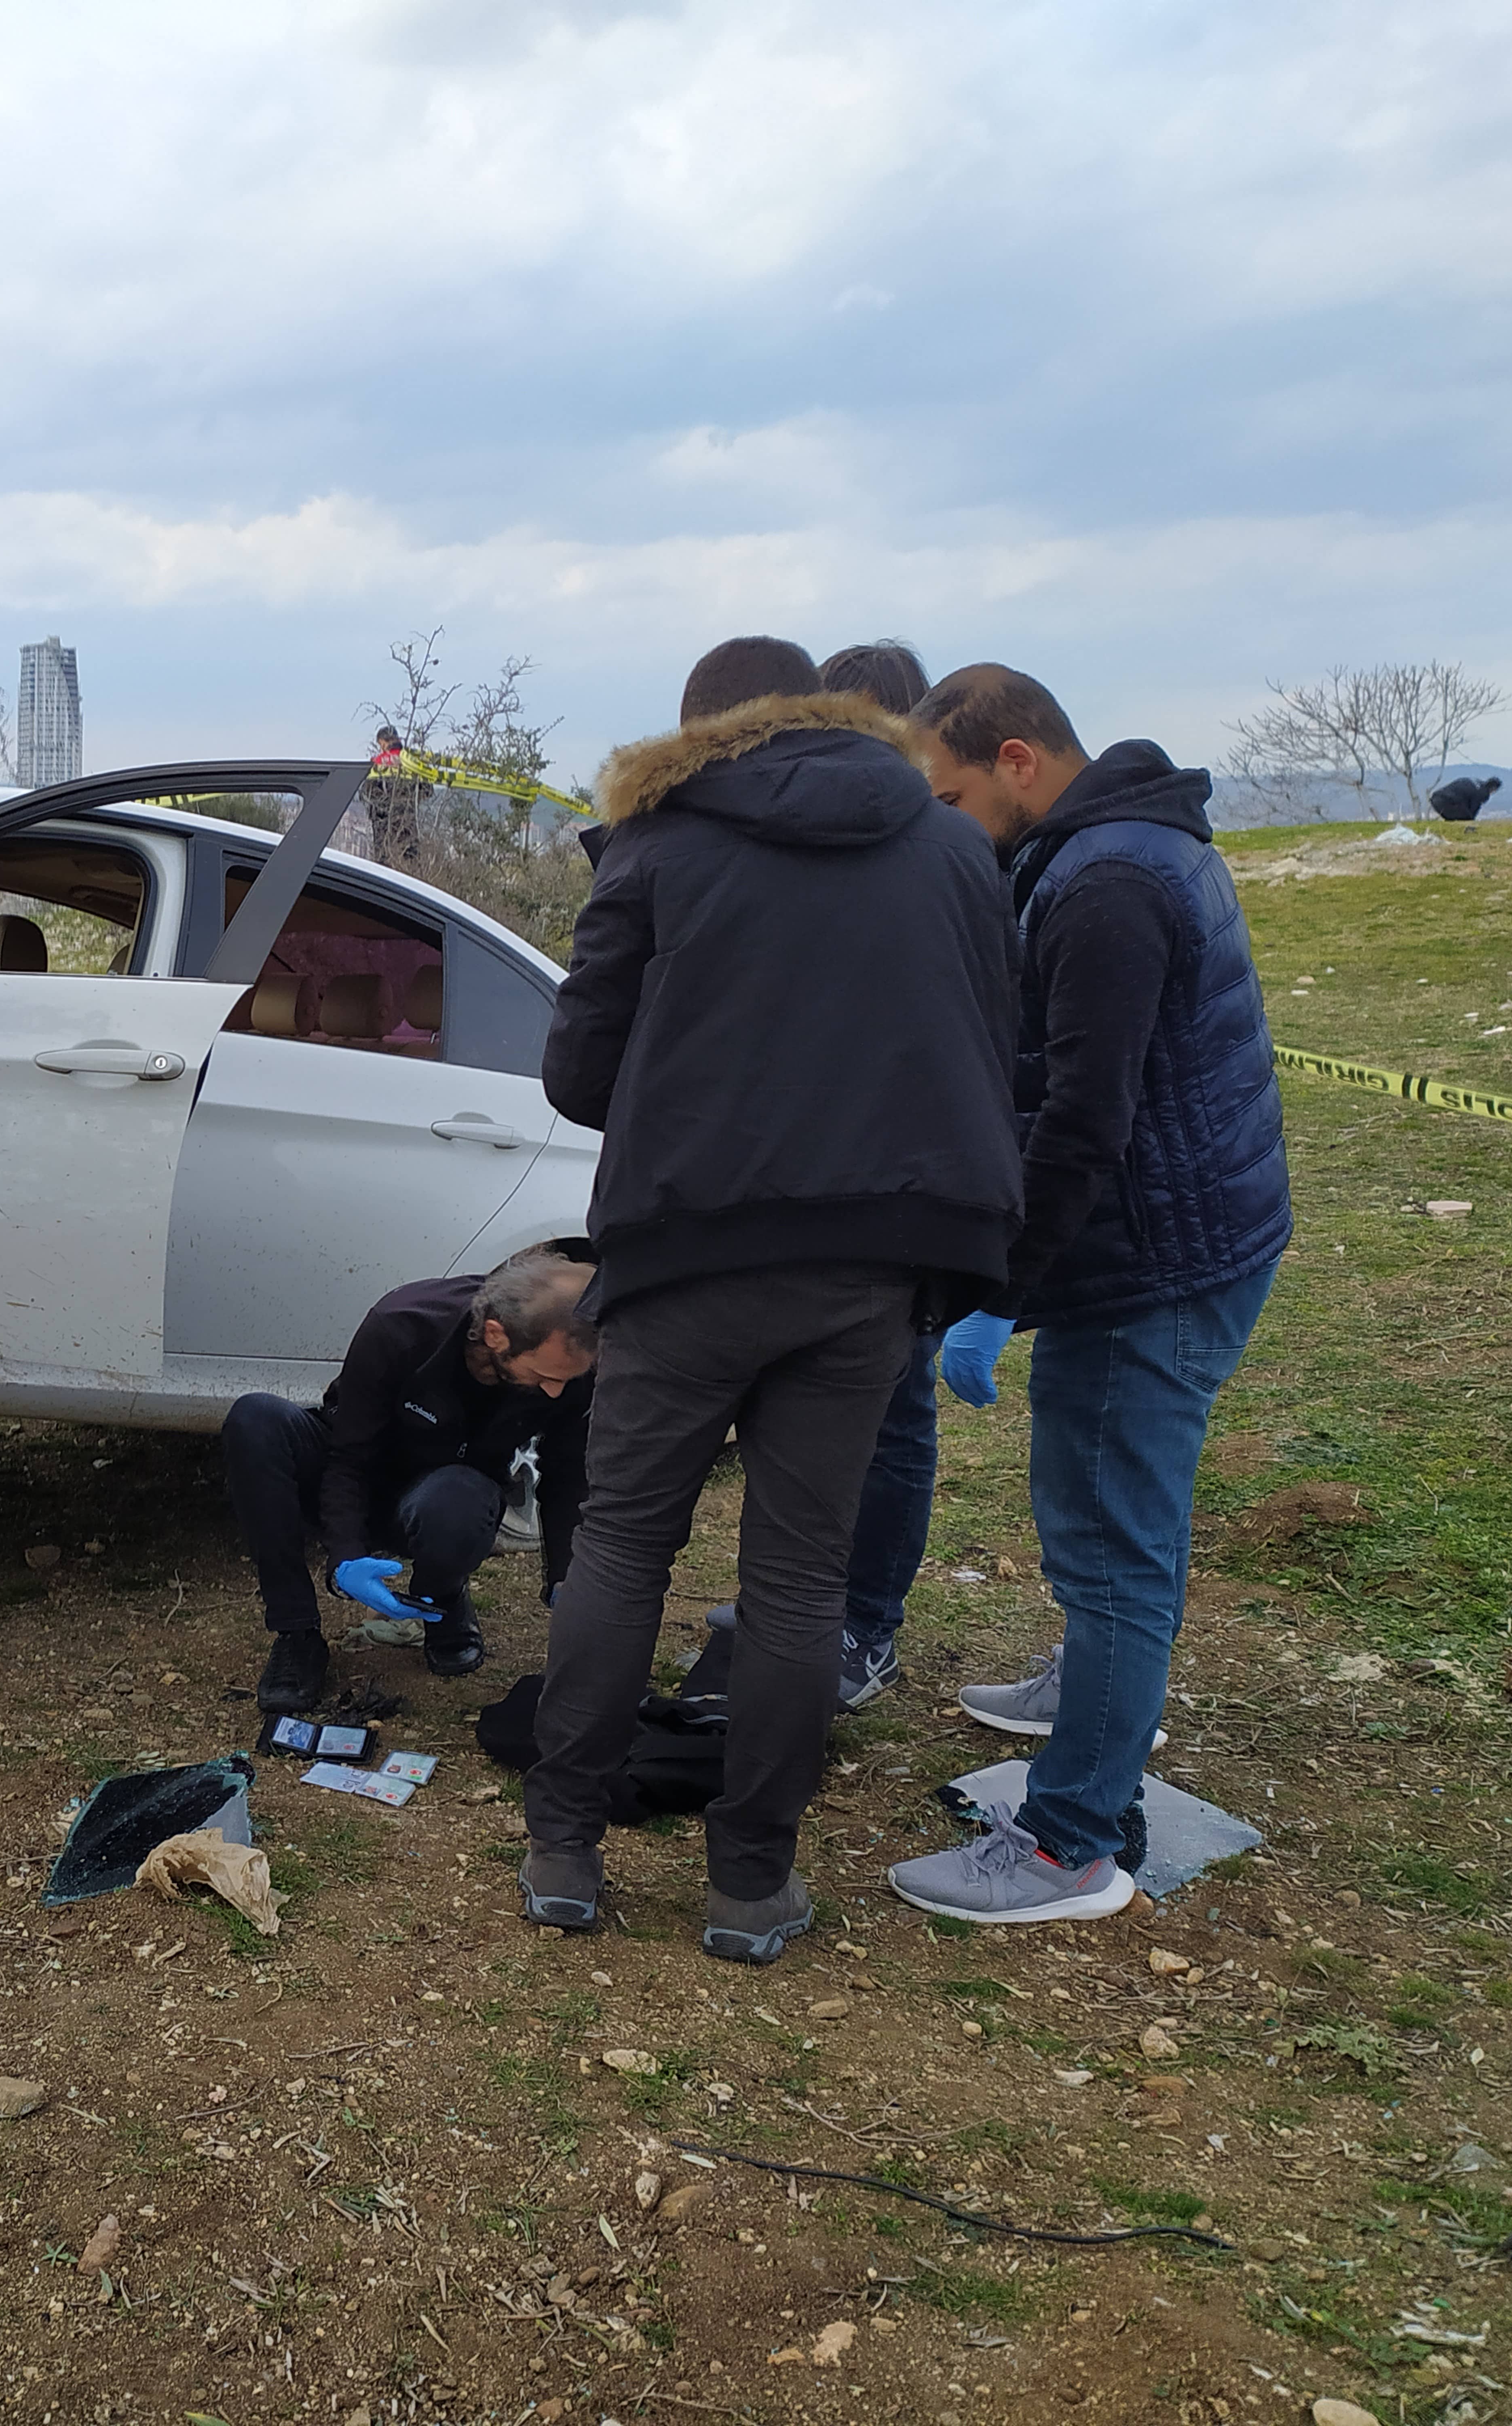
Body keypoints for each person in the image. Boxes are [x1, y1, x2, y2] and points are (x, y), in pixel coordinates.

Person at [522, 636, 1023, 1963]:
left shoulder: (653, 844)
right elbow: (994, 1044)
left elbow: (578, 1077)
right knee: (799, 1584)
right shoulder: (949, 846)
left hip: (687, 1253)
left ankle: (565, 1848)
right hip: (871, 1264)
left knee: (624, 1545)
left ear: (699, 727)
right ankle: (751, 1883)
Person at [887, 665, 1290, 1926]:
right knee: (1131, 1523)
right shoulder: (1114, 842)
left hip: (1147, 1265)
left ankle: (1067, 1842)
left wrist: (995, 1291)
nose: (946, 821)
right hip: (1194, 1234)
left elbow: (1080, 1118)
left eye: (949, 793)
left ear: (1014, 760)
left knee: (1106, 1539)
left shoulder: (1105, 884)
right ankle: (1098, 1702)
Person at [684, 638, 945, 1716]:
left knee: (889, 1417)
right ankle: (804, 1618)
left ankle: (858, 1629)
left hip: (896, 1192)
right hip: (822, 1184)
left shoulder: (936, 839)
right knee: (820, 1422)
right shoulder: (834, 827)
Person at [223, 1243, 598, 1716]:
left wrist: (567, 1578)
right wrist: (345, 1556)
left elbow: (567, 1477)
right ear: (495, 1335)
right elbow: (349, 1456)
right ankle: (296, 1633)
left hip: (448, 1498)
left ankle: (439, 1599)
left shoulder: (568, 1366)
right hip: (360, 1473)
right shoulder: (401, 1324)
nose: (555, 1392)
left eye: (565, 1381)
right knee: (255, 1420)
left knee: (458, 1500)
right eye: (544, 1377)